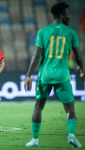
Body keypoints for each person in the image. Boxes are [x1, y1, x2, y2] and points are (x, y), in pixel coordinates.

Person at [24, 2, 84, 148]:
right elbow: (78, 56)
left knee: (38, 107)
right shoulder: (71, 33)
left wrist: (28, 75)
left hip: (45, 76)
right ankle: (71, 135)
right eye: (68, 14)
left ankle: (35, 140)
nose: (69, 17)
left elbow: (36, 55)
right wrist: (82, 68)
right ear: (62, 15)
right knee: (70, 109)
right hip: (62, 76)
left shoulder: (43, 32)